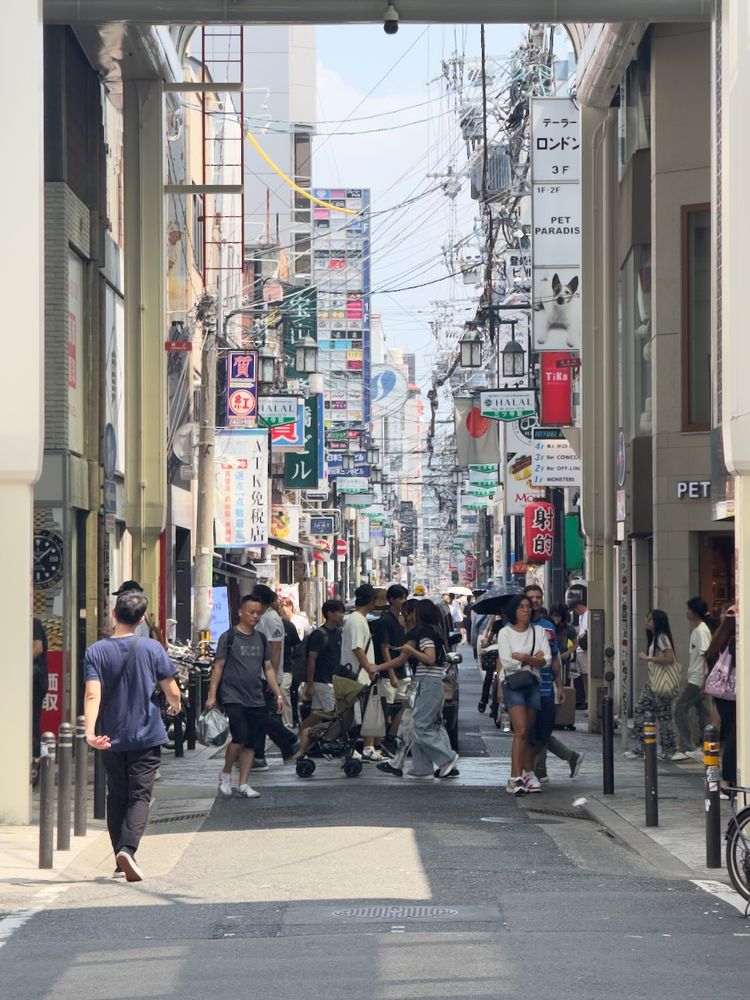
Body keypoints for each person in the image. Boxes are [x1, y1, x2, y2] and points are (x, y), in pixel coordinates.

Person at [83, 590, 181, 881]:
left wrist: (89, 732)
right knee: (139, 796)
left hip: (109, 738)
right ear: (140, 620)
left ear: (114, 614)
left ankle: (118, 858)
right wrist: (175, 707)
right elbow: (171, 689)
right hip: (146, 734)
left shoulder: (96, 651)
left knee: (117, 795)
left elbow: (92, 694)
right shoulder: (152, 649)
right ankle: (127, 849)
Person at [207, 594, 285, 799]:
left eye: (258, 613)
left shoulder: (260, 638)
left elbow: (268, 668)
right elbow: (218, 667)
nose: (255, 616)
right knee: (240, 736)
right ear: (240, 613)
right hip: (232, 696)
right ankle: (225, 774)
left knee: (252, 741)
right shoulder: (229, 637)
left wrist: (278, 694)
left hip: (256, 697)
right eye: (251, 612)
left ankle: (243, 783)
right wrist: (212, 695)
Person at [525, 586, 583, 784]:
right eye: (530, 597)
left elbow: (555, 657)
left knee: (541, 730)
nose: (534, 601)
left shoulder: (548, 625)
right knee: (530, 731)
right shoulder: (518, 624)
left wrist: (559, 685)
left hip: (545, 685)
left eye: (538, 597)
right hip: (523, 687)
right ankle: (539, 769)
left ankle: (538, 770)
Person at [397, 599, 459, 780]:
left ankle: (446, 758)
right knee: (421, 724)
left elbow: (430, 658)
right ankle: (421, 767)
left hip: (429, 683)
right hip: (430, 683)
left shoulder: (425, 632)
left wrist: (410, 650)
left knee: (420, 726)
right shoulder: (436, 631)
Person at [340, 583, 403, 762]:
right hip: (358, 675)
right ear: (371, 600)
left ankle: (366, 747)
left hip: (359, 675)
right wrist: (369, 668)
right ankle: (360, 747)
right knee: (357, 714)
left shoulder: (357, 619)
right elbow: (357, 648)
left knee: (365, 712)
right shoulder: (357, 620)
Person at [496, 594, 551, 795]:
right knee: (520, 730)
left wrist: (522, 657)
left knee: (528, 731)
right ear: (513, 611)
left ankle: (526, 774)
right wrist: (531, 659)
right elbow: (507, 661)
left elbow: (546, 658)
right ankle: (516, 776)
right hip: (514, 684)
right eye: (521, 607)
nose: (526, 610)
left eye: (528, 606)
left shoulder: (539, 631)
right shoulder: (505, 633)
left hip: (533, 683)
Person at [624, 609, 677, 760]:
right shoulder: (656, 638)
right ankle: (648, 746)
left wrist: (648, 658)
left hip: (660, 682)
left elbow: (669, 658)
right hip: (655, 682)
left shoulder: (661, 638)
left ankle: (666, 748)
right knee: (648, 711)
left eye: (650, 619)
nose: (646, 621)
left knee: (660, 714)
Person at [672, 597, 713, 761]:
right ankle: (705, 746)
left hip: (697, 679)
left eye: (689, 609)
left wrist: (704, 679)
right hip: (698, 678)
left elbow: (705, 655)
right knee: (703, 713)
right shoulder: (699, 630)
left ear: (695, 612)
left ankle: (688, 746)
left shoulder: (701, 631)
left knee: (680, 708)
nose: (686, 612)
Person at [704, 605, 737, 795]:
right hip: (732, 694)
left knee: (729, 732)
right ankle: (727, 780)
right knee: (734, 735)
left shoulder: (719, 638)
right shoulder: (734, 641)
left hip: (721, 694)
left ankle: (725, 779)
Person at [373, 584, 409, 736]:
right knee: (385, 708)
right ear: (392, 599)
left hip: (402, 671)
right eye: (401, 598)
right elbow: (384, 648)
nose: (404, 601)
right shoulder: (386, 620)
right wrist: (391, 673)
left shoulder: (401, 620)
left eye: (405, 597)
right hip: (389, 674)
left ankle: (392, 736)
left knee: (405, 705)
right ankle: (381, 739)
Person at [252, 585, 289, 726]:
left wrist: (271, 677)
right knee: (264, 716)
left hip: (267, 676)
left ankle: (289, 741)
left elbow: (276, 648)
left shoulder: (271, 619)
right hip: (262, 675)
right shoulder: (265, 617)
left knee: (268, 716)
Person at [111, 580, 165, 647]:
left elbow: (129, 642)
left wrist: (113, 637)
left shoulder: (134, 617)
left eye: (121, 597)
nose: (118, 600)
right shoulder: (141, 614)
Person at [567, 585, 588, 708]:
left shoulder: (588, 614)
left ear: (578, 607)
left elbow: (586, 632)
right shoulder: (581, 616)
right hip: (580, 649)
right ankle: (585, 698)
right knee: (583, 675)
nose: (575, 613)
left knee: (586, 675)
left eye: (574, 610)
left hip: (585, 650)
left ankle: (587, 699)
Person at [31, 617, 49, 774]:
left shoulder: (33, 623)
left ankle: (35, 758)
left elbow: (38, 647)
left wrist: (18, 662)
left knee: (32, 720)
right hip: (31, 680)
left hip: (35, 682)